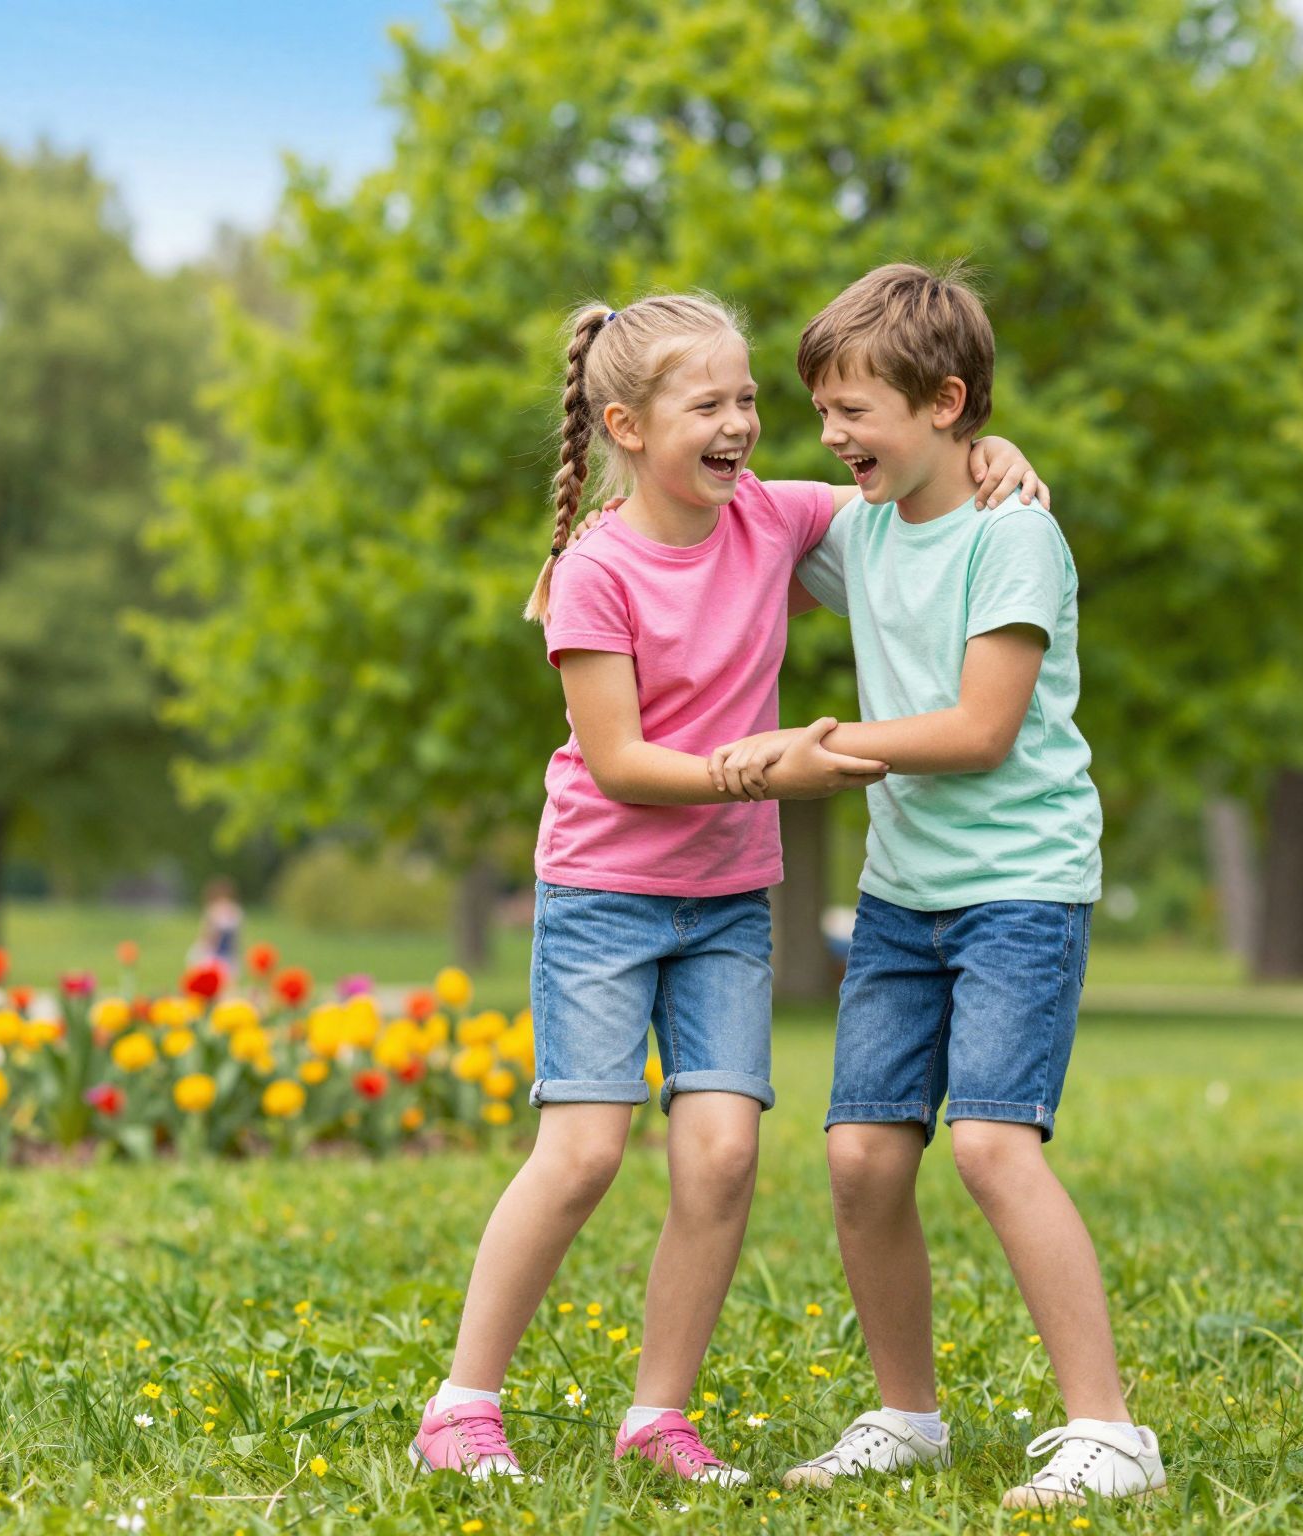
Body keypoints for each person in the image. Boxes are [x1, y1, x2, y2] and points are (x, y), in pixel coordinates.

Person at [410, 292, 1044, 1483]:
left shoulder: (771, 520)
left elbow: (911, 492)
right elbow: (619, 763)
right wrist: (762, 770)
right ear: (627, 426)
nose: (744, 422)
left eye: (749, 398)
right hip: (602, 889)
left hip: (723, 904)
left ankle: (658, 1418)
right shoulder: (592, 571)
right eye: (710, 403)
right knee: (584, 1150)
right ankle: (459, 1403)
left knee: (719, 1157)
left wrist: (991, 454)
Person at [711, 263, 1163, 1509]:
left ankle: (1111, 1434)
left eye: (855, 410)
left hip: (1020, 885)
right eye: (821, 411)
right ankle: (906, 1415)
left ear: (945, 401)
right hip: (905, 893)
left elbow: (978, 731)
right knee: (859, 1157)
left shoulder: (1014, 534)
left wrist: (818, 751)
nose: (831, 436)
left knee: (989, 1146)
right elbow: (720, 493)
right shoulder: (857, 527)